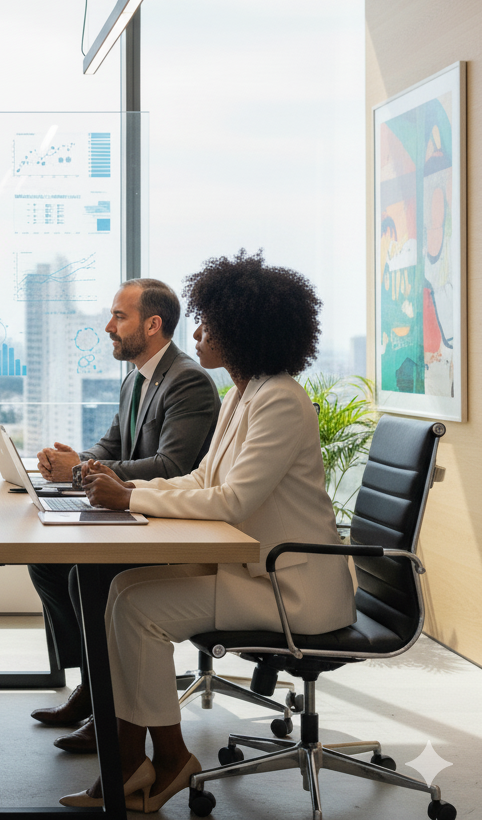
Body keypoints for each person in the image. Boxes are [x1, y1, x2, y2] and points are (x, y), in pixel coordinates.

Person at [60, 252, 356, 812]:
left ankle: (165, 760)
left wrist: (132, 497)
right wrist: (130, 496)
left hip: (292, 587)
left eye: (208, 324)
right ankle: (134, 758)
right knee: (121, 591)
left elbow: (237, 500)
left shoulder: (281, 400)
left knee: (138, 610)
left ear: (244, 330)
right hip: (254, 569)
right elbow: (201, 477)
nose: (195, 333)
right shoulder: (241, 394)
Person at [27, 279, 220, 752]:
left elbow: (172, 466)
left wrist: (83, 471)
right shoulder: (136, 379)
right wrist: (73, 463)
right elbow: (112, 448)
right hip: (134, 513)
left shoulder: (187, 380)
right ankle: (92, 689)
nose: (108, 326)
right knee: (48, 562)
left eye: (120, 317)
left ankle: (109, 705)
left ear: (153, 325)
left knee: (84, 577)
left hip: (172, 523)